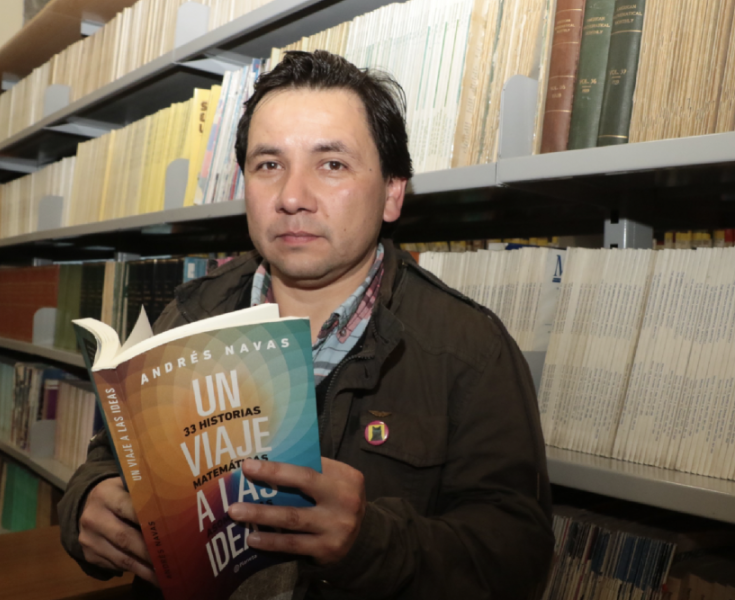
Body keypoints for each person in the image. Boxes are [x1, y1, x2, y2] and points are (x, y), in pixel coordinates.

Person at [59, 50, 554, 599]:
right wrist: (87, 500)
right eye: (268, 165)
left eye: (332, 164)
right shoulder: (187, 317)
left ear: (392, 192)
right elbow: (110, 460)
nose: (292, 197)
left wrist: (370, 542)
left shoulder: (471, 350)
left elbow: (517, 558)